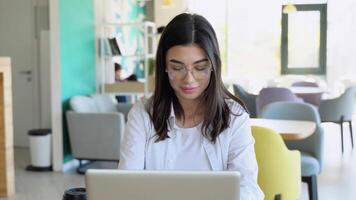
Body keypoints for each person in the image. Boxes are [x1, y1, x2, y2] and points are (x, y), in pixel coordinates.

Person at [118, 13, 264, 199]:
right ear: (164, 66)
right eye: (177, 68)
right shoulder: (142, 114)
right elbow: (125, 185)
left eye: (200, 67)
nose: (189, 79)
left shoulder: (235, 117)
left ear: (213, 66)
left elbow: (248, 189)